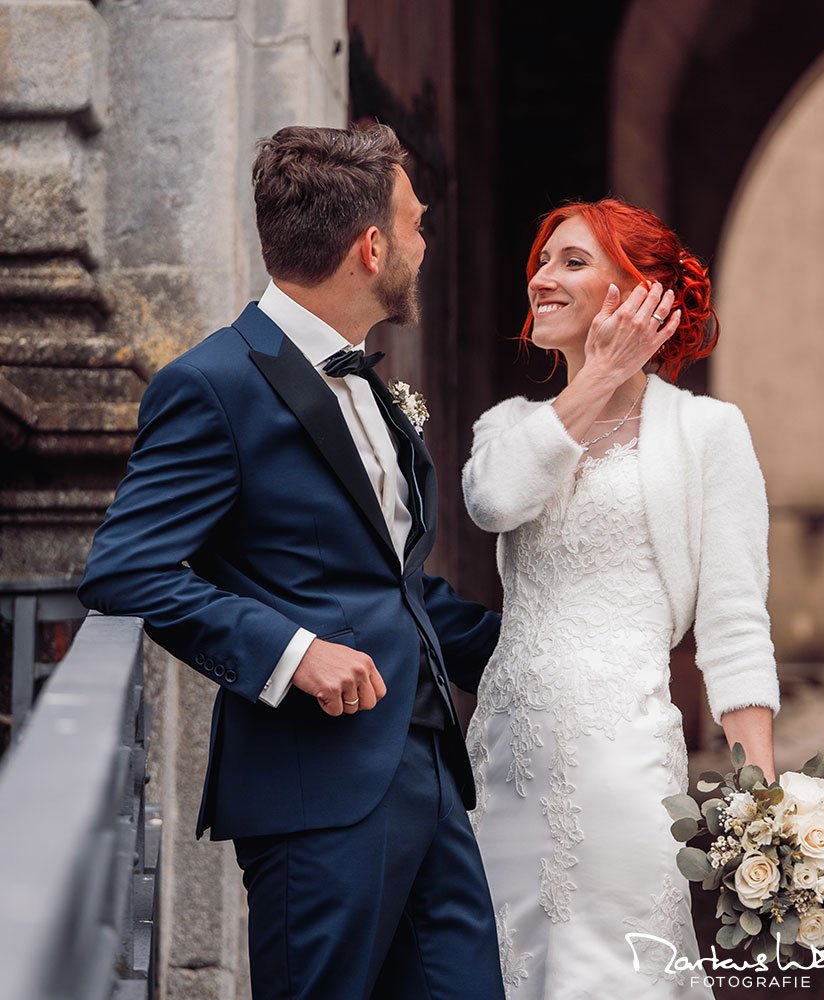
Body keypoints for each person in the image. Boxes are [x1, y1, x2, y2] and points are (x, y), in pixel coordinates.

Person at [78, 124, 506, 999]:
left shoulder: (369, 386)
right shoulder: (214, 384)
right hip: (317, 795)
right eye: (417, 226)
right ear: (372, 244)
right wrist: (290, 652)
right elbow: (125, 569)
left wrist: (540, 651)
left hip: (428, 771)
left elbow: (391, 586)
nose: (426, 247)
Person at [462, 198, 781, 997]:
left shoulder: (709, 434)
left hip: (622, 761)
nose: (542, 278)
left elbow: (735, 626)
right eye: (541, 261)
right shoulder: (507, 427)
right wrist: (600, 374)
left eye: (573, 262)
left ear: (640, 296)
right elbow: (494, 503)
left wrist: (763, 809)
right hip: (503, 762)